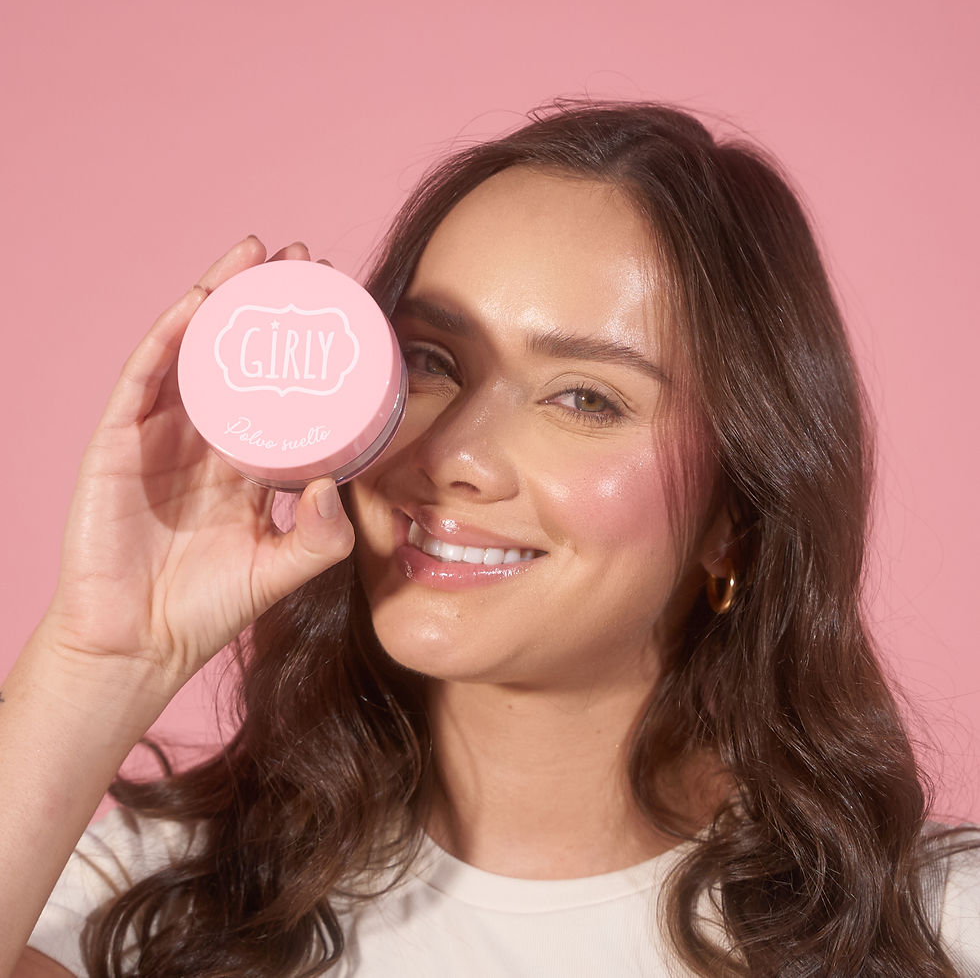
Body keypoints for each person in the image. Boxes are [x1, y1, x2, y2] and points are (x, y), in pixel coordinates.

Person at [3, 101, 979, 978]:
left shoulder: (932, 931)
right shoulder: (156, 904)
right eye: (428, 361)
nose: (450, 455)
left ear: (735, 515)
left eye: (583, 397)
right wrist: (105, 653)